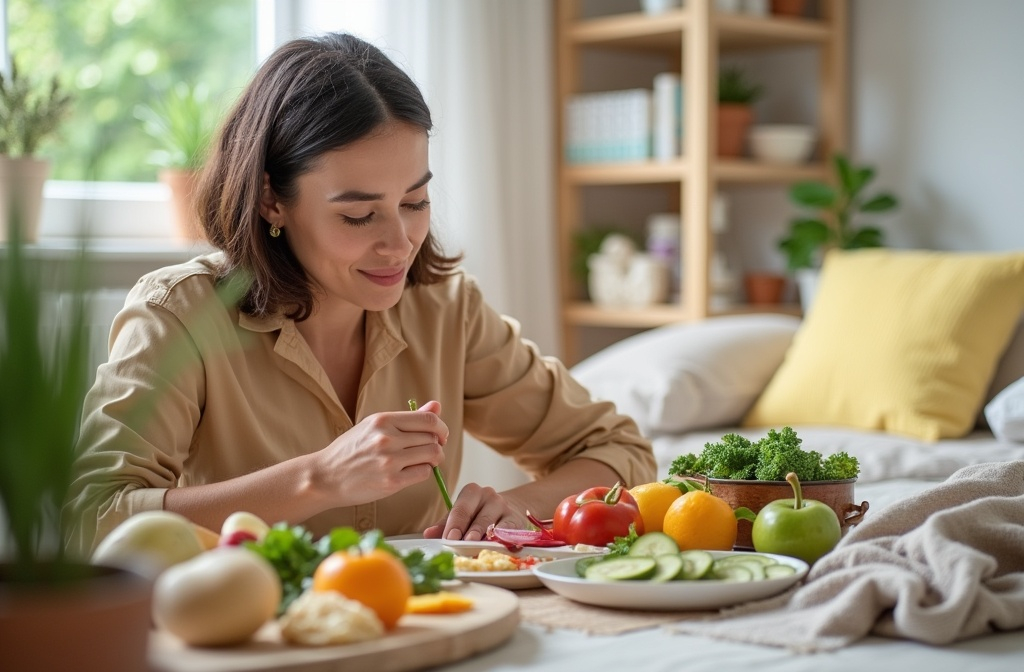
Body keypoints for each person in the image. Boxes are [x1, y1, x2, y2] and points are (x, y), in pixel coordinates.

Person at [64, 32, 655, 558]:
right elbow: (91, 519)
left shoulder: (445, 308)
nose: (399, 244)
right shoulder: (179, 315)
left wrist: (514, 506)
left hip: (414, 618)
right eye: (359, 215)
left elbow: (616, 450)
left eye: (415, 203)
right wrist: (317, 479)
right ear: (272, 199)